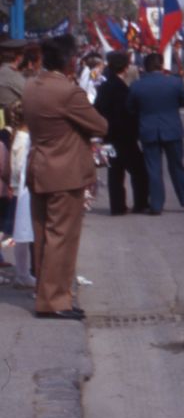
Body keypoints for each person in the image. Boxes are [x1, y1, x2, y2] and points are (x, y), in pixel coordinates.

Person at [22, 38, 107, 320]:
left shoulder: (31, 86)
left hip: (39, 166)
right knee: (62, 238)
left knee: (43, 236)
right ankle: (55, 300)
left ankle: (45, 293)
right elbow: (100, 125)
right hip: (65, 172)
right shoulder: (68, 92)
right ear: (70, 61)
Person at [130, 51, 184, 215]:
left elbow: (130, 108)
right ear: (161, 65)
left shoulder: (137, 85)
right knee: (177, 166)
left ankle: (156, 204)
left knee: (153, 168)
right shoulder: (174, 82)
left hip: (148, 129)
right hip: (171, 128)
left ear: (145, 67)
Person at [92, 51, 149, 216]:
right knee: (139, 170)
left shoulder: (104, 87)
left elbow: (97, 109)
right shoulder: (123, 88)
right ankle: (141, 203)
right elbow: (129, 112)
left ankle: (117, 206)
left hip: (109, 135)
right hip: (125, 135)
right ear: (125, 67)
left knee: (115, 172)